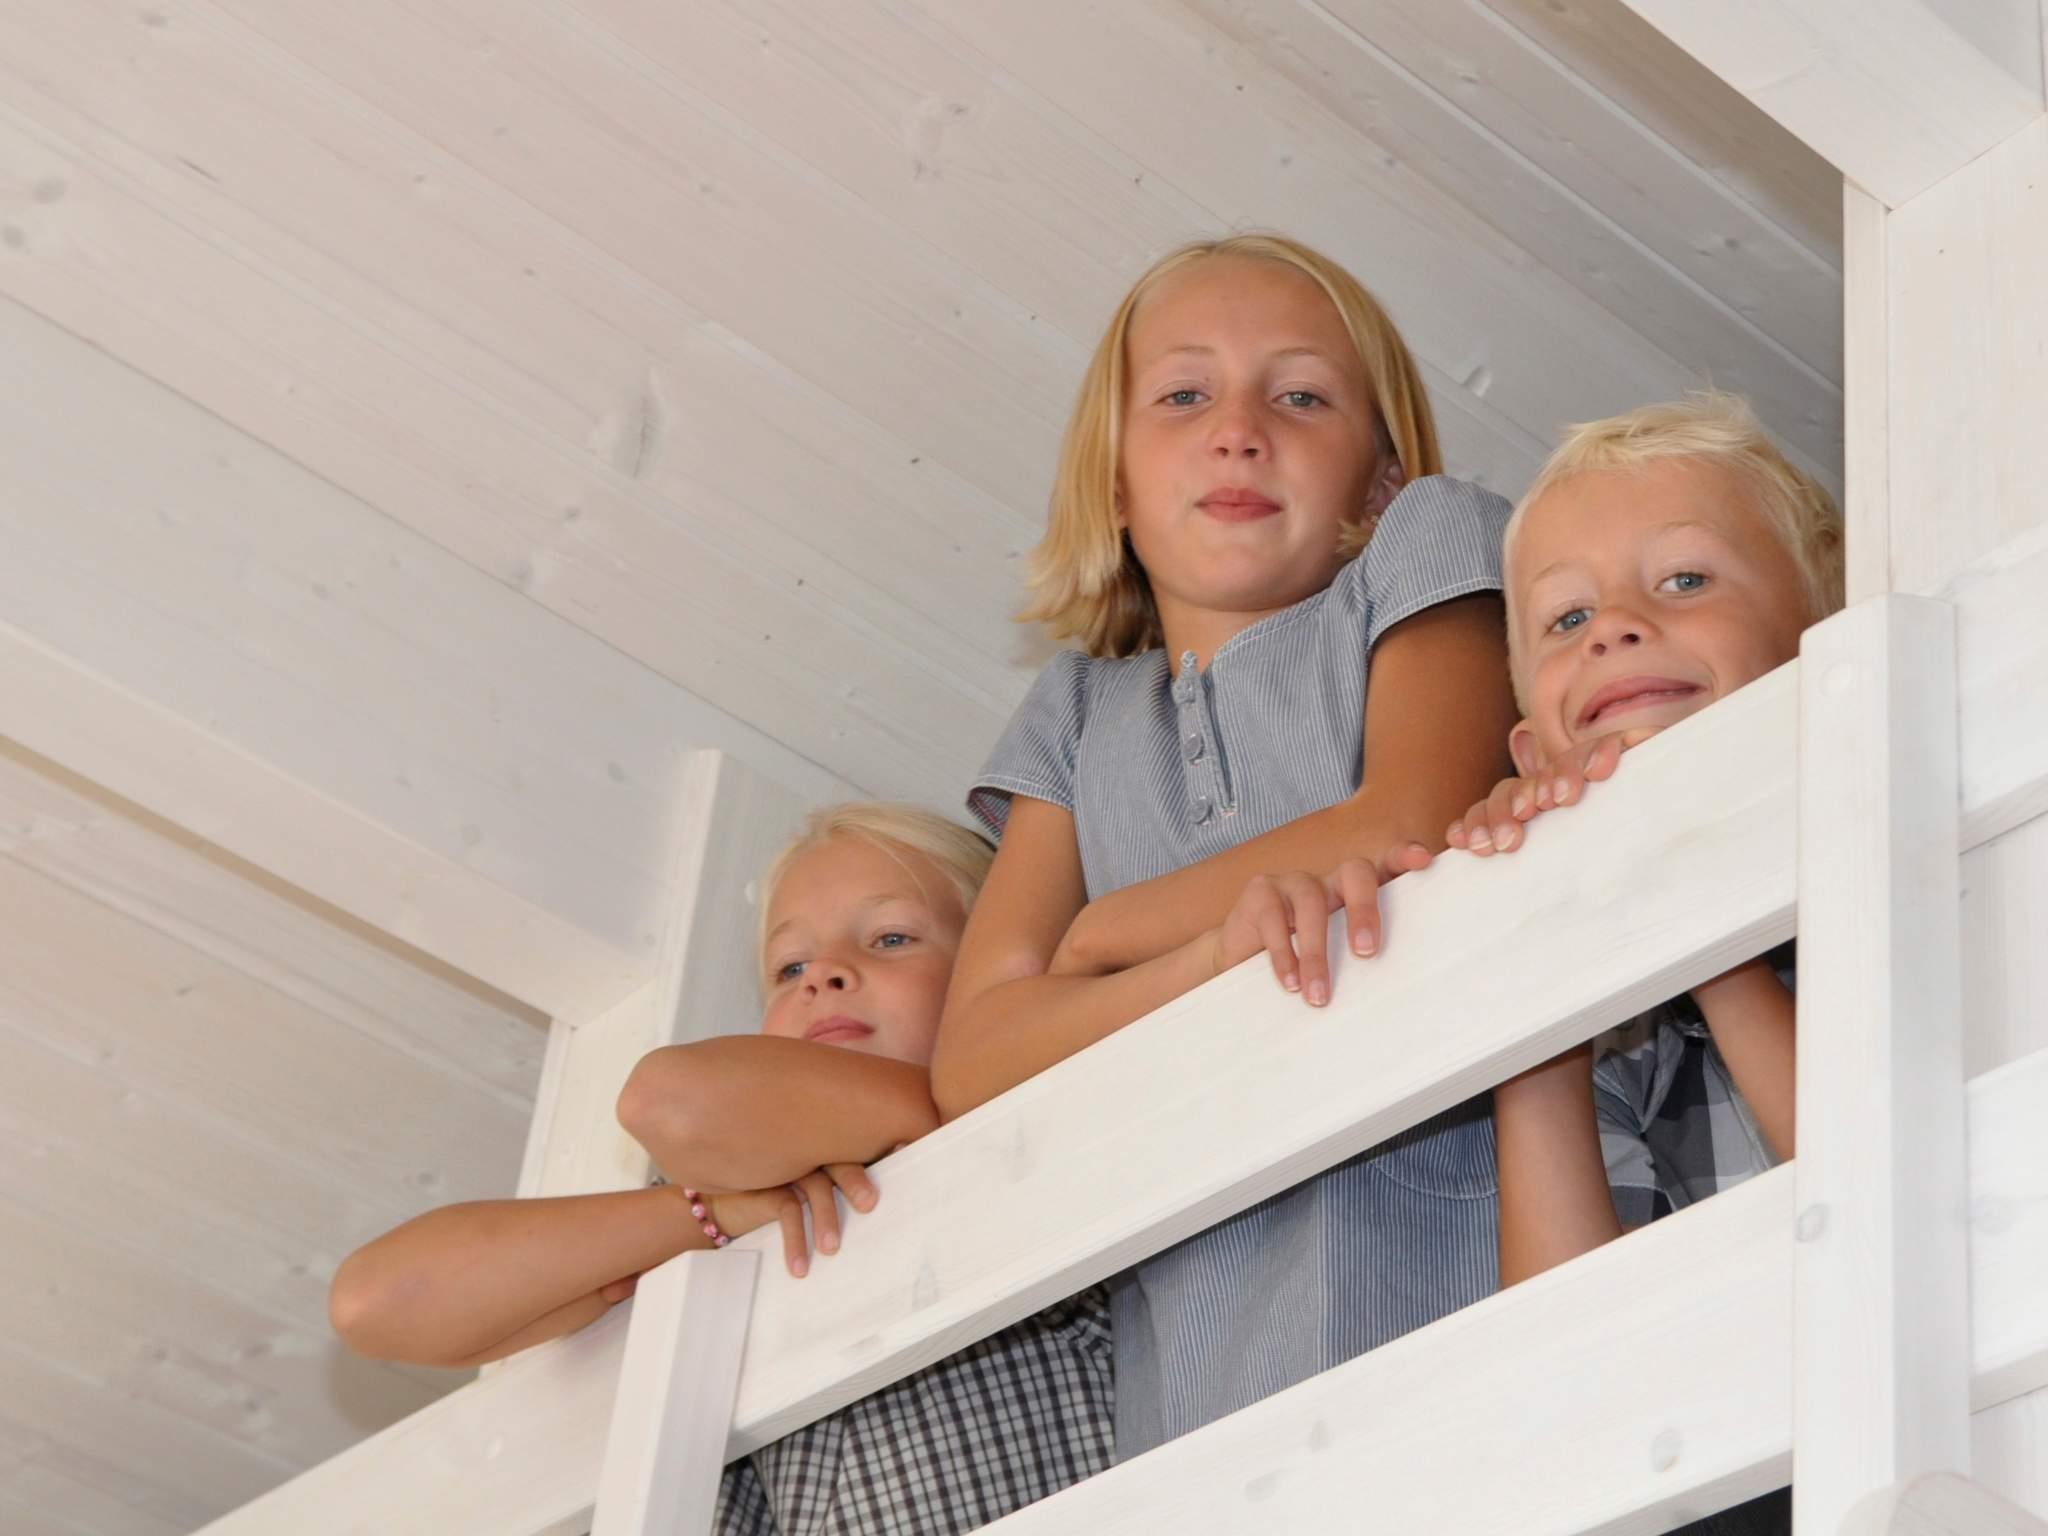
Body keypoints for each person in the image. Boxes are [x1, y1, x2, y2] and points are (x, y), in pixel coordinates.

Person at [934, 232, 1519, 1458]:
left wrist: (1105, 936)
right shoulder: (1076, 710)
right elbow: (977, 1054)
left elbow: (1408, 818)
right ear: (1111, 484)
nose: (1239, 432)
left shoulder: (1425, 545)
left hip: (1459, 1253)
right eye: (1183, 396)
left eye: (1299, 397)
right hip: (1203, 1350)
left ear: (1379, 482)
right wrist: (1206, 962)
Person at [331, 802, 1113, 1534]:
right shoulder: (728, 1199)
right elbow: (377, 1300)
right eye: (789, 968)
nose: (824, 974)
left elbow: (667, 1097)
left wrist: (917, 1110)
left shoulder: (1045, 1113)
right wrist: (715, 1214)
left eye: (890, 939)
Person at [1435, 392, 1841, 1285]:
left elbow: (1880, 1190)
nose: (1614, 625)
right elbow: (1566, 1324)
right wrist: (1528, 926)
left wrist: (1695, 908)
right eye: (1567, 618)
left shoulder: (1888, 876)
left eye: (1685, 580)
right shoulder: (1621, 1036)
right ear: (1533, 754)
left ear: (1822, 651)